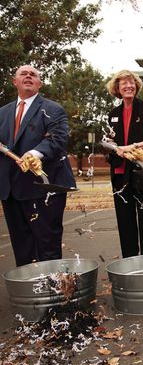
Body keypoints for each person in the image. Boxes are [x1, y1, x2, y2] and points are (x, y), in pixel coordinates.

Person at [0, 65, 76, 266]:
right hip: (11, 191)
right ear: (14, 81)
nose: (28, 76)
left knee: (47, 246)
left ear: (39, 83)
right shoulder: (2, 113)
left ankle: (51, 292)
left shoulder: (53, 110)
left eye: (33, 74)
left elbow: (58, 139)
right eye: (23, 74)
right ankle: (30, 293)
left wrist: (34, 154)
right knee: (22, 247)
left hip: (43, 188)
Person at [106, 70, 143, 258]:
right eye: (124, 83)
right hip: (121, 177)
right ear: (117, 88)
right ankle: (130, 267)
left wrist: (133, 146)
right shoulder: (113, 114)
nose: (128, 86)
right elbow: (111, 143)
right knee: (126, 226)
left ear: (136, 86)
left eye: (132, 82)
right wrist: (111, 147)